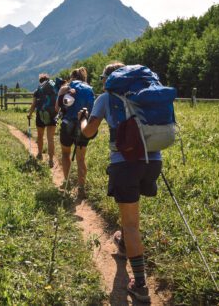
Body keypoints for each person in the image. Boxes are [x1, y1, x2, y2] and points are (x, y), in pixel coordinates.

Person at [77, 62, 162, 303]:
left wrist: (83, 119)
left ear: (109, 79)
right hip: (154, 160)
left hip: (125, 164)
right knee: (131, 214)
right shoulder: (145, 94)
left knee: (132, 223)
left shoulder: (106, 97)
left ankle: (141, 285)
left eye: (104, 78)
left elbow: (88, 133)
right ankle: (124, 241)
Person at [55, 67, 94, 198]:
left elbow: (57, 107)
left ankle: (67, 182)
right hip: (83, 126)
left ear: (72, 76)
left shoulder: (66, 87)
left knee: (66, 154)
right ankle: (81, 188)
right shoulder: (90, 89)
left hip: (67, 125)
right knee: (81, 158)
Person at [27, 73, 62, 168]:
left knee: (40, 136)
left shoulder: (37, 90)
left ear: (40, 81)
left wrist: (29, 114)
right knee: (50, 139)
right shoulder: (54, 89)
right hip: (52, 115)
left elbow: (34, 104)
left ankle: (40, 154)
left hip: (41, 115)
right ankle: (51, 160)